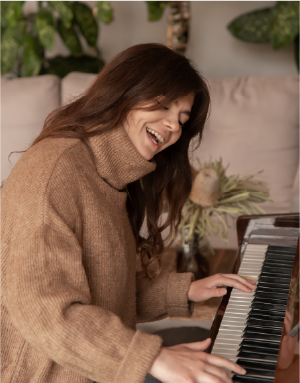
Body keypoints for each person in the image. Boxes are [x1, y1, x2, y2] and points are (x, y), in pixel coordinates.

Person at [0, 43, 256, 383]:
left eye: (181, 118)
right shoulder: (55, 172)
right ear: (125, 92)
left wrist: (187, 291)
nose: (174, 127)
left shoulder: (109, 176)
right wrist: (155, 358)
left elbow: (106, 291)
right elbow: (45, 313)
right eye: (164, 105)